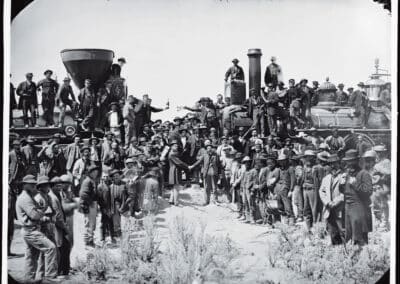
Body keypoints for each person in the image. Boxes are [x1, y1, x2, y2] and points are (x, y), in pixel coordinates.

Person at [16, 175, 58, 281]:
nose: (34, 186)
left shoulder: (28, 196)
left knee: (31, 257)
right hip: (30, 230)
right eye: (31, 184)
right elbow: (35, 215)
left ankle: (28, 279)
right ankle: (49, 278)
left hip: (30, 230)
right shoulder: (25, 198)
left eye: (34, 184)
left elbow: (37, 213)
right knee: (51, 248)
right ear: (24, 185)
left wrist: (41, 212)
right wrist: (43, 210)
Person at [319, 154, 345, 245]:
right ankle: (336, 252)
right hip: (329, 209)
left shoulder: (343, 176)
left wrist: (336, 202)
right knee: (333, 232)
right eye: (330, 164)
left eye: (334, 163)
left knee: (343, 231)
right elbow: (322, 191)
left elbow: (345, 192)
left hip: (340, 208)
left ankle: (346, 252)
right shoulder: (326, 178)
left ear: (339, 163)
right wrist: (327, 203)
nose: (332, 166)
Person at [48, 177, 71, 278]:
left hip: (59, 226)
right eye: (57, 186)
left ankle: (63, 270)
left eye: (60, 186)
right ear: (52, 186)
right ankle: (61, 271)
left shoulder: (57, 195)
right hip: (57, 227)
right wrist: (65, 228)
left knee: (64, 247)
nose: (59, 188)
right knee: (61, 248)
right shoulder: (53, 198)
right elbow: (57, 216)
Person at [192, 140, 221, 205]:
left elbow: (219, 164)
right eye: (207, 148)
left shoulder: (216, 155)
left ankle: (215, 200)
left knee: (214, 187)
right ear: (206, 149)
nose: (209, 149)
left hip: (214, 173)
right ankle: (206, 201)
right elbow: (198, 161)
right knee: (206, 187)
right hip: (206, 173)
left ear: (212, 149)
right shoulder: (204, 155)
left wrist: (219, 173)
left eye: (210, 148)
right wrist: (192, 166)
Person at [79, 164, 100, 247]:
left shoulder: (92, 180)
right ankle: (88, 243)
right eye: (94, 171)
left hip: (91, 204)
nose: (96, 172)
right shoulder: (87, 181)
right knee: (89, 224)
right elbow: (83, 194)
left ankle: (90, 241)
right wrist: (90, 202)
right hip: (88, 205)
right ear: (90, 173)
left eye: (96, 171)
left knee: (92, 224)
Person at [371, 145, 391, 229]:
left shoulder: (386, 161)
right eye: (376, 153)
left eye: (378, 152)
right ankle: (378, 221)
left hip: (383, 186)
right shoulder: (376, 162)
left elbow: (389, 172)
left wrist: (379, 168)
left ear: (381, 153)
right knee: (375, 205)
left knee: (383, 205)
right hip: (375, 187)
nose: (377, 154)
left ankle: (385, 223)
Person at [168, 140, 191, 206]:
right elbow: (179, 162)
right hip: (175, 171)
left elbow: (179, 155)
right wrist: (187, 166)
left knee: (174, 186)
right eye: (175, 146)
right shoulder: (172, 154)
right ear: (171, 147)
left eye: (177, 146)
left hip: (173, 170)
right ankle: (176, 202)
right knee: (176, 187)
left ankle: (171, 200)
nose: (177, 147)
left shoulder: (173, 153)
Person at [275, 153, 295, 225]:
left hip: (286, 188)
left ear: (286, 161)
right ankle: (285, 219)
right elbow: (277, 179)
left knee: (287, 205)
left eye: (283, 161)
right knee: (280, 205)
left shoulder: (290, 169)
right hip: (279, 188)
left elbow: (293, 180)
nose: (281, 162)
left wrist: (291, 190)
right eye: (280, 161)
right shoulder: (280, 169)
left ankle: (291, 219)